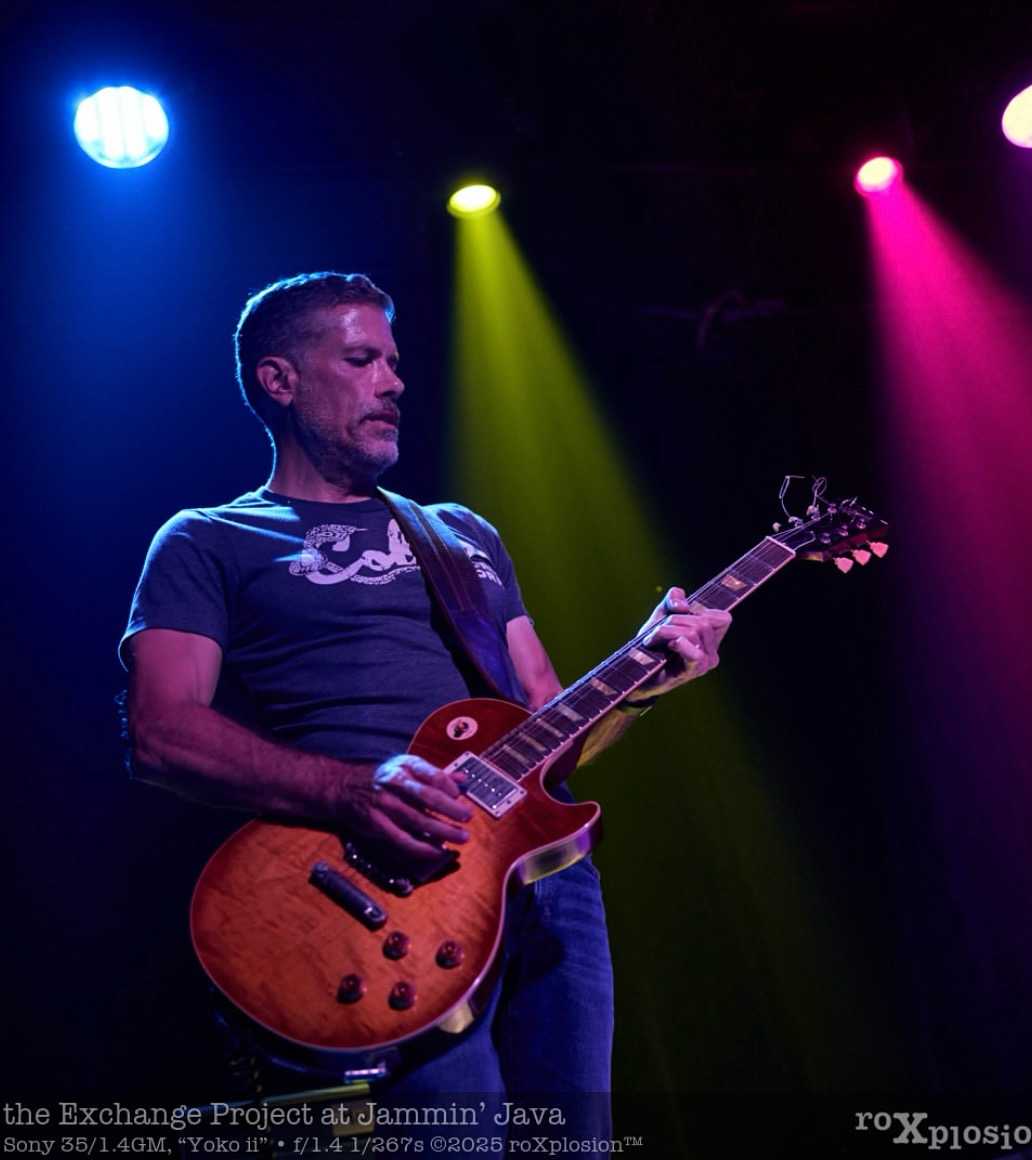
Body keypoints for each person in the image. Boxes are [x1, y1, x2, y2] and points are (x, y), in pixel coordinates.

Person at [120, 272, 730, 1128]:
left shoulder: (460, 533)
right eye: (363, 358)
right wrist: (352, 790)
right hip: (375, 883)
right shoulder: (208, 540)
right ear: (279, 379)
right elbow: (161, 732)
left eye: (396, 362)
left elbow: (550, 723)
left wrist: (645, 681)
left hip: (543, 883)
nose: (395, 380)